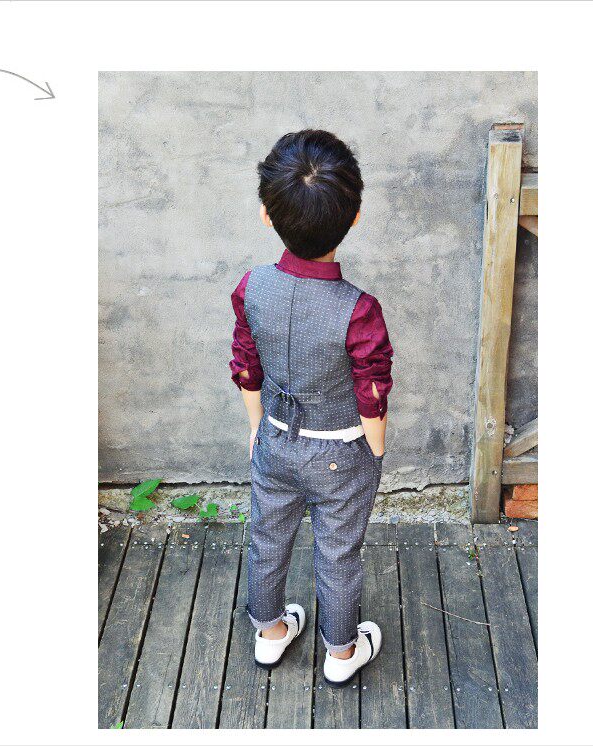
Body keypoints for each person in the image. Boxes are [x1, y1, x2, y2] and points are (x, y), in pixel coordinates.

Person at [229, 129, 394, 686]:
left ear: (266, 214)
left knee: (267, 537)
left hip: (275, 437)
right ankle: (341, 653)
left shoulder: (252, 287)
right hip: (340, 451)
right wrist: (375, 450)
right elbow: (372, 389)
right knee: (339, 552)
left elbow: (246, 363)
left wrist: (258, 427)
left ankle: (270, 631)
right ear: (353, 217)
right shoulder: (359, 309)